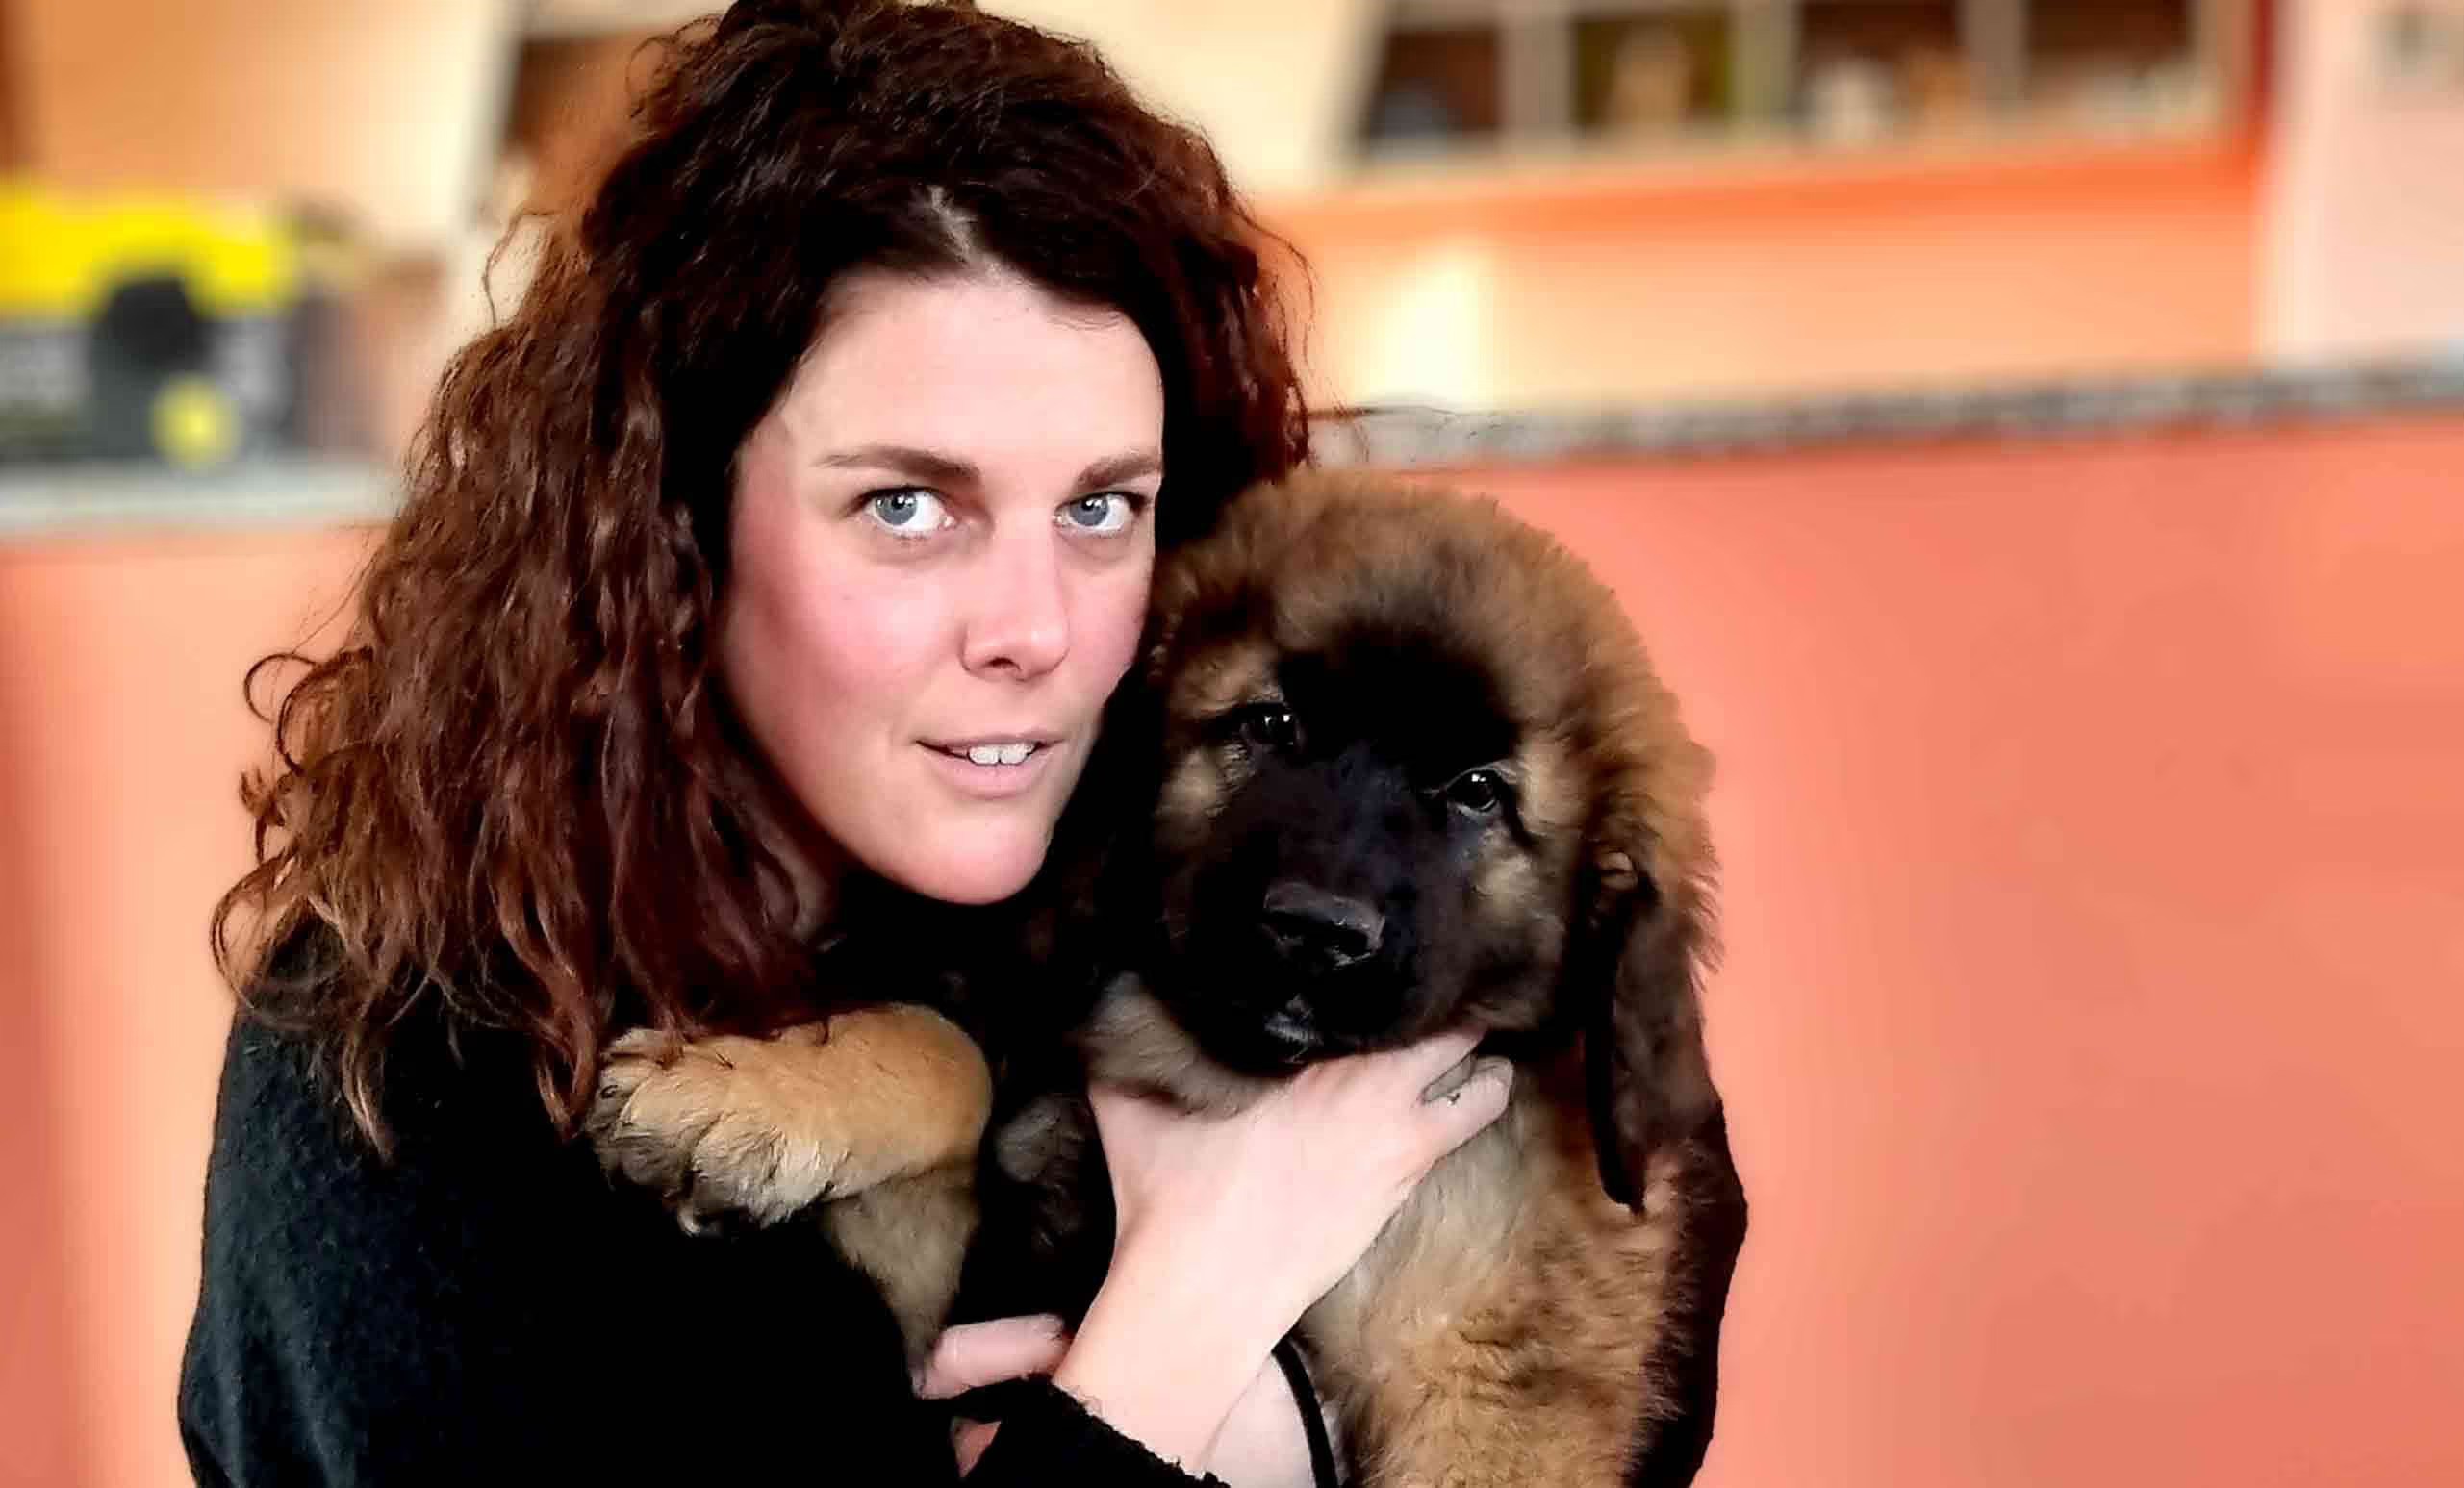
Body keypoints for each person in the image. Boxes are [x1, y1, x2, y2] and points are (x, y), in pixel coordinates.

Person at [176, 4, 1511, 1485]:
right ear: (672, 525)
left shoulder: (1147, 857)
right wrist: (1182, 1335)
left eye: (1097, 509)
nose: (1034, 631)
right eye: (907, 507)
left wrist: (1303, 1434)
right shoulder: (420, 1070)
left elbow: (1649, 1251)